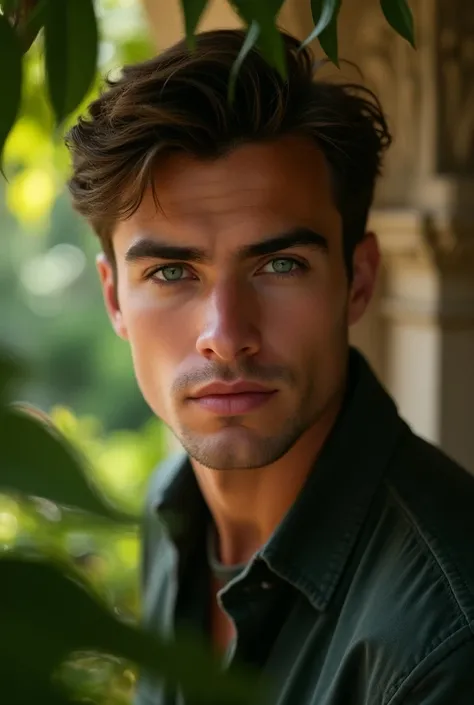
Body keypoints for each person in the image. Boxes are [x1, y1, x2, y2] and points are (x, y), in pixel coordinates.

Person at [65, 28, 474, 705]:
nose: (225, 337)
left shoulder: (445, 637)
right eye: (172, 271)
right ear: (114, 298)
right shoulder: (174, 510)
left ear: (358, 279)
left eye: (280, 265)